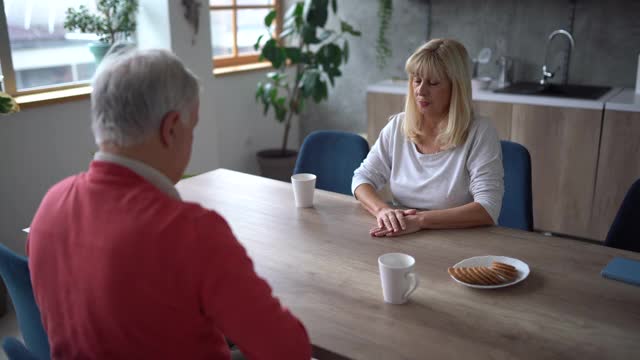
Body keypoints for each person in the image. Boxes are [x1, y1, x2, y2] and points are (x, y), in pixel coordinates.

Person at [27, 48, 311, 359]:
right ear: (171, 128)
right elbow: (288, 350)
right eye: (193, 127)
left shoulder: (49, 207)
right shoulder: (191, 232)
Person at [352, 39, 504, 238]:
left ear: (455, 88)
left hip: (462, 241)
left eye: (433, 83)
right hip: (403, 235)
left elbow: (487, 208)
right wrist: (383, 210)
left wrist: (421, 220)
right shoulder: (398, 126)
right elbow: (361, 179)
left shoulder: (480, 131)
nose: (420, 91)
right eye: (416, 80)